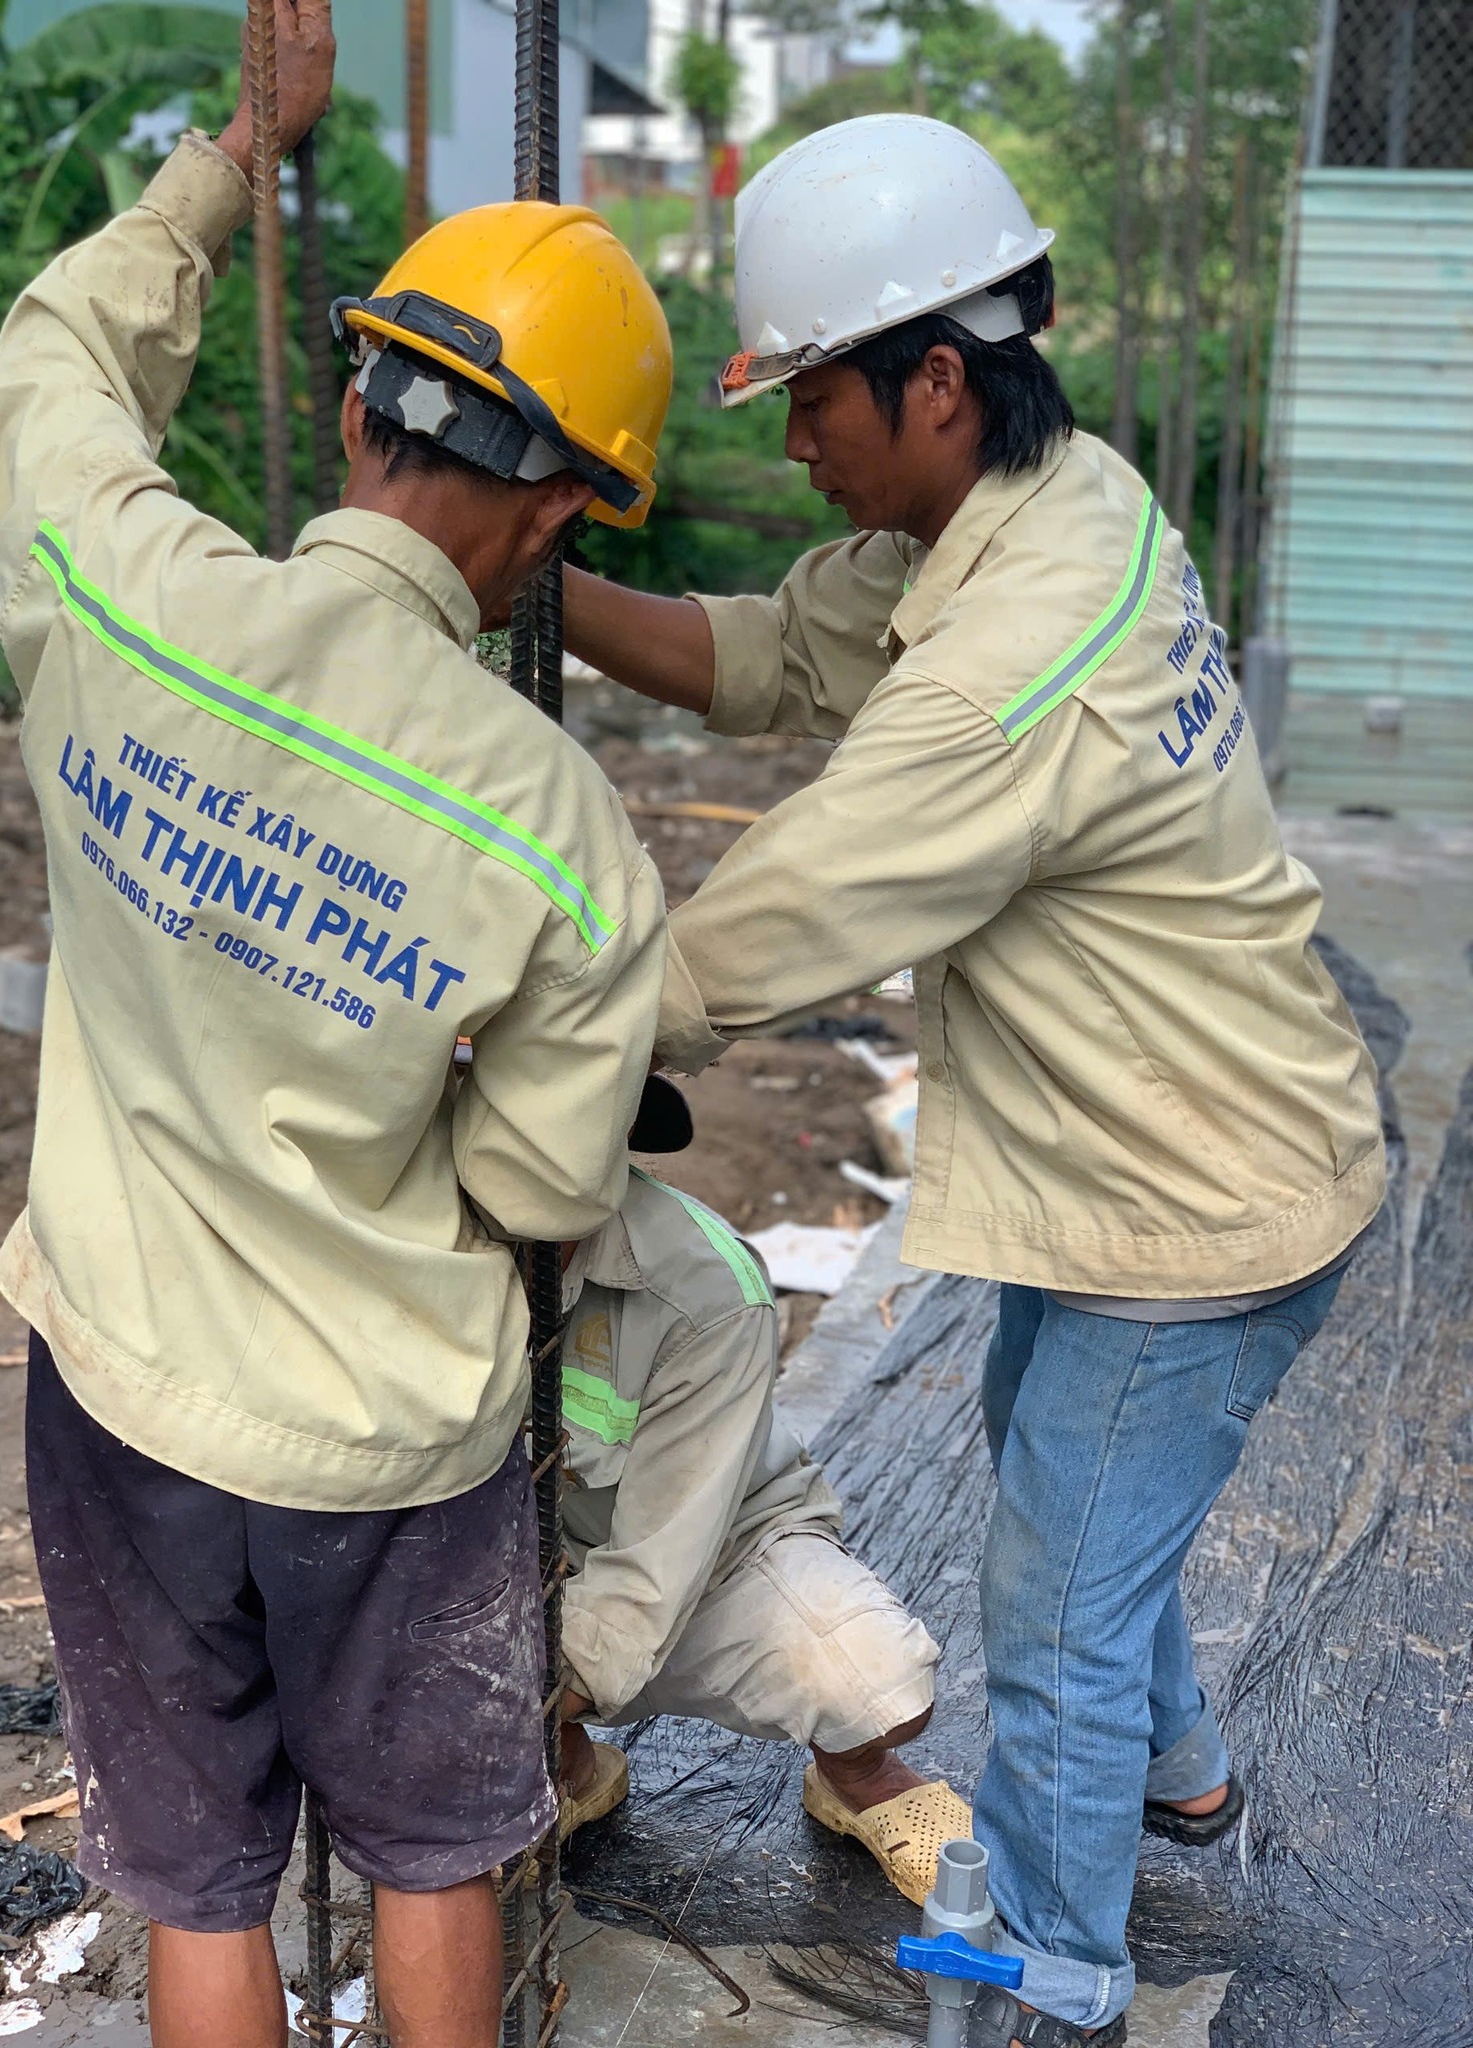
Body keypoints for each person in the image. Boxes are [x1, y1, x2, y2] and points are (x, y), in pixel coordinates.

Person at [561, 115, 1385, 2048]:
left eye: (811, 396)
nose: (792, 443)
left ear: (936, 378)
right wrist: (530, 590)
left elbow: (776, 923)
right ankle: (1180, 1769)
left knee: (1059, 1595)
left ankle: (1058, 1962)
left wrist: (540, 1034)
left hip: (1191, 1206)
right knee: (1047, 1447)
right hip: (1180, 1139)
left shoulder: (1011, 669)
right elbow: (773, 653)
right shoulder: (1062, 502)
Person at [0, 6, 672, 2045]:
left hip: (124, 1378)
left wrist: (237, 156)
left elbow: (51, 358)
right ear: (560, 518)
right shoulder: (564, 836)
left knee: (199, 1873)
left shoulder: (126, 595)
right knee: (436, 1848)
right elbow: (537, 1185)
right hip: (390, 1434)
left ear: (365, 406)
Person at [554, 1077, 970, 1905]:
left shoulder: (703, 1285)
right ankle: (568, 1765)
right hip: (522, 1565)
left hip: (716, 1554)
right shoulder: (425, 1248)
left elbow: (656, 1566)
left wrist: (527, 1695)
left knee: (879, 1685)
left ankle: (857, 1770)